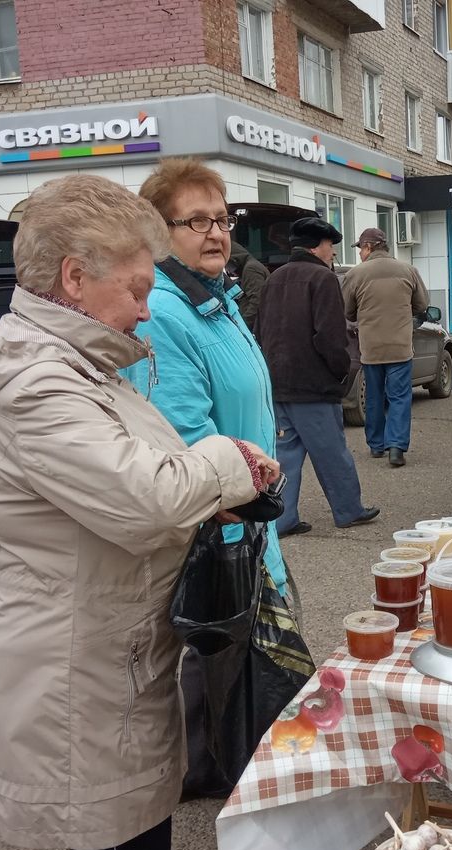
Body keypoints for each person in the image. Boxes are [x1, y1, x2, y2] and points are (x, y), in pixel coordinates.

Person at [0, 174, 276, 850]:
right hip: (70, 653)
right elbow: (144, 496)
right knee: (109, 833)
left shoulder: (78, 361)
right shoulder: (38, 385)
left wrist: (207, 480)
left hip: (103, 635)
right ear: (74, 279)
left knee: (133, 813)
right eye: (133, 287)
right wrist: (223, 462)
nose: (143, 307)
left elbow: (135, 468)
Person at [120, 158, 289, 594]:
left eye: (221, 220)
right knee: (235, 662)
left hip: (251, 529)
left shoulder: (217, 298)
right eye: (197, 221)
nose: (216, 233)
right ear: (158, 233)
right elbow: (182, 438)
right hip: (220, 546)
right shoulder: (162, 314)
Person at [255, 216, 379, 536]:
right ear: (316, 246)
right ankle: (349, 510)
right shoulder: (322, 279)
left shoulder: (273, 279)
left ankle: (282, 519)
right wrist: (341, 371)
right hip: (313, 384)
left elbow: (258, 330)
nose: (333, 252)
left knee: (287, 454)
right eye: (330, 246)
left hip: (277, 382)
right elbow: (330, 336)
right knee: (331, 452)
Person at [342, 226, 429, 467]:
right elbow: (422, 304)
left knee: (374, 396)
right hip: (400, 346)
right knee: (400, 397)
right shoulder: (408, 270)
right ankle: (397, 448)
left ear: (369, 247)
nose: (360, 253)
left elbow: (347, 310)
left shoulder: (356, 274)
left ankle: (376, 445)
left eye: (360, 248)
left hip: (371, 347)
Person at [225, 241, 269, 333]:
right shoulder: (249, 268)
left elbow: (256, 299)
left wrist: (244, 325)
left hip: (256, 326)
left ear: (234, 260)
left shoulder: (251, 268)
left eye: (227, 265)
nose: (228, 269)